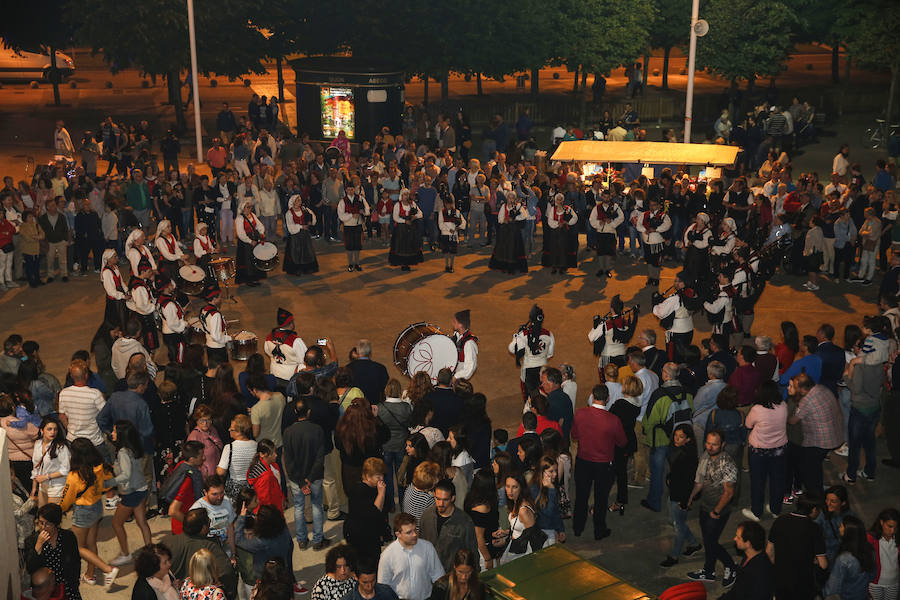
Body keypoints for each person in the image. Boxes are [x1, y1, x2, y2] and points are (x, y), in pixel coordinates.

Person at [58, 438, 119, 588]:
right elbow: (107, 484)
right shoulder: (100, 467)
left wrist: (59, 509)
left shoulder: (75, 475)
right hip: (97, 507)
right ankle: (90, 575)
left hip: (83, 511)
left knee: (78, 547)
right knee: (91, 543)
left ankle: (107, 569)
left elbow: (67, 498)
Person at [570, 384, 625, 539]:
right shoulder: (613, 420)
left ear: (592, 396)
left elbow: (574, 435)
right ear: (607, 398)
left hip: (583, 461)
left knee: (581, 496)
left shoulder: (580, 414)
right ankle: (599, 530)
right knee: (601, 498)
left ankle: (578, 527)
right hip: (604, 465)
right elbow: (621, 441)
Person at [686, 430, 738, 586]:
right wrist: (691, 497)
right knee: (709, 541)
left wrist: (716, 511)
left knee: (711, 542)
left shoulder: (727, 463)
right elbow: (700, 481)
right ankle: (709, 571)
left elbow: (729, 492)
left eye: (714, 444)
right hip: (705, 506)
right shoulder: (705, 456)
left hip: (719, 510)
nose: (710, 447)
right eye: (708, 443)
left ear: (722, 444)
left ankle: (730, 566)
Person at [282, 393, 328, 550]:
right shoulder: (317, 430)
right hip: (315, 477)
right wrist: (310, 478)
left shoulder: (288, 432)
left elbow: (288, 461)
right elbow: (320, 457)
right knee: (316, 506)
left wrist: (301, 481)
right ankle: (318, 539)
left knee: (299, 507)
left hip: (296, 479)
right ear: (308, 412)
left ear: (295, 412)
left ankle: (301, 540)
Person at [161, 508, 237, 599]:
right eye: (208, 521)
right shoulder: (211, 548)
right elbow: (227, 574)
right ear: (204, 528)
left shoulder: (166, 543)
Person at [787, 373, 844, 495]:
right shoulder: (821, 388)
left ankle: (815, 495)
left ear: (802, 389)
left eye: (792, 386)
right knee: (816, 465)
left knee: (808, 468)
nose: (788, 388)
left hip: (820, 442)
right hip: (835, 434)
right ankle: (818, 486)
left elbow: (793, 421)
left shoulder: (806, 401)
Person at [108, 421, 153, 566]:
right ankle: (149, 550)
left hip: (131, 493)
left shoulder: (122, 452)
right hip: (141, 489)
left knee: (116, 523)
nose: (112, 434)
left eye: (114, 431)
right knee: (142, 521)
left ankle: (125, 554)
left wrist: (108, 483)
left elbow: (125, 475)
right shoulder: (134, 448)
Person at [767, 493, 827, 600]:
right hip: (803, 584)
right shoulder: (814, 528)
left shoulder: (780, 520)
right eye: (819, 510)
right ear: (813, 510)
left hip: (781, 581)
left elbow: (769, 552)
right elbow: (823, 564)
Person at [743, 381, 788, 522]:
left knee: (758, 481)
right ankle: (775, 509)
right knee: (777, 480)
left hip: (759, 451)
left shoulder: (757, 409)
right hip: (779, 449)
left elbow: (748, 424)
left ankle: (757, 511)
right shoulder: (783, 406)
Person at [659, 424, 701, 568]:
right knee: (676, 522)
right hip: (674, 492)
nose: (677, 439)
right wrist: (670, 477)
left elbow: (690, 482)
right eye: (676, 436)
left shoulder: (688, 457)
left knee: (678, 526)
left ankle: (674, 555)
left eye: (681, 437)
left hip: (680, 496)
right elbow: (676, 471)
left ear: (688, 439)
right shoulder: (679, 451)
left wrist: (684, 501)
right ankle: (694, 544)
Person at [24, 504, 84, 600]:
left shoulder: (68, 537)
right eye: (40, 522)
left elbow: (75, 562)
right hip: (45, 593)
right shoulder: (31, 541)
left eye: (47, 524)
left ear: (56, 524)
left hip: (68, 588)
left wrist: (74, 584)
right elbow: (30, 568)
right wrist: (38, 545)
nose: (43, 527)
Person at [378, 512, 444, 600]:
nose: (414, 534)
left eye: (415, 530)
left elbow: (439, 576)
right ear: (398, 534)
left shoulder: (427, 548)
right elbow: (383, 586)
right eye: (409, 532)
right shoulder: (387, 555)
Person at [420, 479, 479, 571]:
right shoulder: (427, 516)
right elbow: (421, 543)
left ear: (453, 498)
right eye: (437, 499)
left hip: (451, 575)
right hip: (429, 571)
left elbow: (472, 552)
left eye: (445, 500)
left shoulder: (465, 522)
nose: (440, 504)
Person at [344, 457, 389, 565]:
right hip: (361, 534)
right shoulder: (359, 491)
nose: (382, 478)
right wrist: (381, 494)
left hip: (370, 530)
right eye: (378, 476)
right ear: (368, 477)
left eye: (382, 475)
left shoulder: (374, 488)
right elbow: (374, 513)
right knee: (366, 563)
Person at [234, 504, 293, 581]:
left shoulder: (261, 542)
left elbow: (238, 540)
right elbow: (291, 546)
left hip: (265, 574)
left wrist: (241, 517)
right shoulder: (284, 529)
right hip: (282, 568)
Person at [718, 521, 774, 600]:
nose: (734, 539)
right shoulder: (749, 556)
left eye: (738, 537)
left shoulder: (759, 572)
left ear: (748, 543)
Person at [824, 515, 876, 600]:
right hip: (862, 596)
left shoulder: (844, 559)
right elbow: (872, 575)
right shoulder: (870, 550)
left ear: (848, 531)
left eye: (841, 526)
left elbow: (832, 588)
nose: (839, 528)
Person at [189, 474, 237, 559]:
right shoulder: (197, 509)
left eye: (221, 492)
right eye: (214, 494)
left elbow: (230, 529)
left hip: (225, 552)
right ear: (205, 492)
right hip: (207, 555)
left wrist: (233, 554)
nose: (219, 497)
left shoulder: (227, 502)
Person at [216, 414, 257, 508]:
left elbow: (221, 471)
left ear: (239, 432)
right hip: (251, 486)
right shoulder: (256, 445)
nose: (229, 430)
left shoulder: (229, 448)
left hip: (234, 488)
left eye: (231, 429)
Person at [31, 417, 71, 506]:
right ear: (42, 430)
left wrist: (46, 477)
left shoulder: (61, 447)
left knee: (50, 515)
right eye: (49, 429)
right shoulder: (37, 444)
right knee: (41, 513)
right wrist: (34, 488)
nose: (53, 432)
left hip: (57, 485)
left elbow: (65, 470)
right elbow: (35, 467)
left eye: (55, 429)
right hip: (42, 485)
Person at [489, 190, 528, 274]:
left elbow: (524, 216)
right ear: (507, 198)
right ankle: (504, 266)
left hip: (514, 231)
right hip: (505, 231)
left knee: (513, 248)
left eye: (512, 198)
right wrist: (504, 220)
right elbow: (500, 218)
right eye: (509, 198)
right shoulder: (504, 206)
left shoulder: (518, 206)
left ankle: (512, 267)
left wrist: (514, 218)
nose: (511, 199)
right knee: (504, 248)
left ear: (514, 199)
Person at [866, 508, 899, 600]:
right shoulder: (870, 538)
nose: (892, 531)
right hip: (875, 584)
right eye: (889, 526)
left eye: (895, 528)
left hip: (894, 582)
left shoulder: (897, 538)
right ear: (881, 522)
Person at [338, 182, 370, 272]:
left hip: (358, 225)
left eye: (352, 189)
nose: (350, 191)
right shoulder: (342, 201)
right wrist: (352, 215)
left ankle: (357, 263)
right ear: (346, 190)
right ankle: (350, 263)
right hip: (348, 226)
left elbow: (367, 209)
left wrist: (363, 212)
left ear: (354, 189)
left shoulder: (360, 198)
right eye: (348, 189)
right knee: (349, 246)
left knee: (357, 245)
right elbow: (341, 216)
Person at [347, 339, 390, 406]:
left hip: (354, 407)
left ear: (357, 351)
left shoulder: (348, 368)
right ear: (370, 352)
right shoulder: (381, 368)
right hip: (374, 407)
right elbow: (385, 389)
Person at [388, 189, 423, 271]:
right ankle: (402, 263)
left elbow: (420, 213)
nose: (406, 196)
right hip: (401, 228)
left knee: (410, 245)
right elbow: (395, 217)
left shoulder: (412, 204)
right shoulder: (397, 205)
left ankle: (408, 263)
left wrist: (415, 216)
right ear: (401, 196)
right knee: (402, 245)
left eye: (407, 194)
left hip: (411, 228)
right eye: (405, 195)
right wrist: (404, 221)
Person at [283, 195, 318, 275]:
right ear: (293, 202)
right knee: (296, 253)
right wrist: (301, 227)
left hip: (305, 235)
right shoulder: (289, 213)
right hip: (295, 237)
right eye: (298, 200)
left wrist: (310, 221)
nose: (300, 202)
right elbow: (290, 226)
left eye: (300, 200)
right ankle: (297, 269)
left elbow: (313, 218)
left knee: (307, 252)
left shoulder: (305, 209)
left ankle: (306, 268)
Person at [234, 200, 266, 286]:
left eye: (250, 207)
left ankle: (255, 277)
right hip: (245, 243)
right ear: (243, 208)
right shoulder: (239, 218)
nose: (250, 209)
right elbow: (240, 233)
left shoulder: (253, 215)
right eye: (248, 207)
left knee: (255, 258)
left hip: (254, 240)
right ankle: (248, 279)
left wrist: (261, 232)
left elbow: (259, 225)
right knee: (247, 261)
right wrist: (249, 241)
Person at [199, 288, 231, 365]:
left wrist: (222, 323)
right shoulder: (215, 314)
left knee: (213, 370)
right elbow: (215, 336)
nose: (221, 299)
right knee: (222, 372)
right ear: (214, 299)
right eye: (219, 297)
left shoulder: (204, 309)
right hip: (218, 348)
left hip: (209, 346)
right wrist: (230, 338)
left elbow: (207, 325)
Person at [438, 197, 466, 273]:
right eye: (447, 203)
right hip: (445, 234)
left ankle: (451, 266)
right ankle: (447, 265)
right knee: (446, 251)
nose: (448, 205)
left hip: (454, 234)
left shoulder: (457, 212)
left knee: (453, 251)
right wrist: (448, 229)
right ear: (445, 204)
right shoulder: (442, 212)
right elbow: (440, 224)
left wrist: (458, 228)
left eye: (450, 203)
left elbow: (464, 223)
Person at [451, 310, 478, 382]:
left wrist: (456, 377)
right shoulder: (456, 335)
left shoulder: (469, 343)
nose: (452, 323)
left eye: (454, 322)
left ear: (460, 325)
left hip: (459, 379)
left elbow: (470, 367)